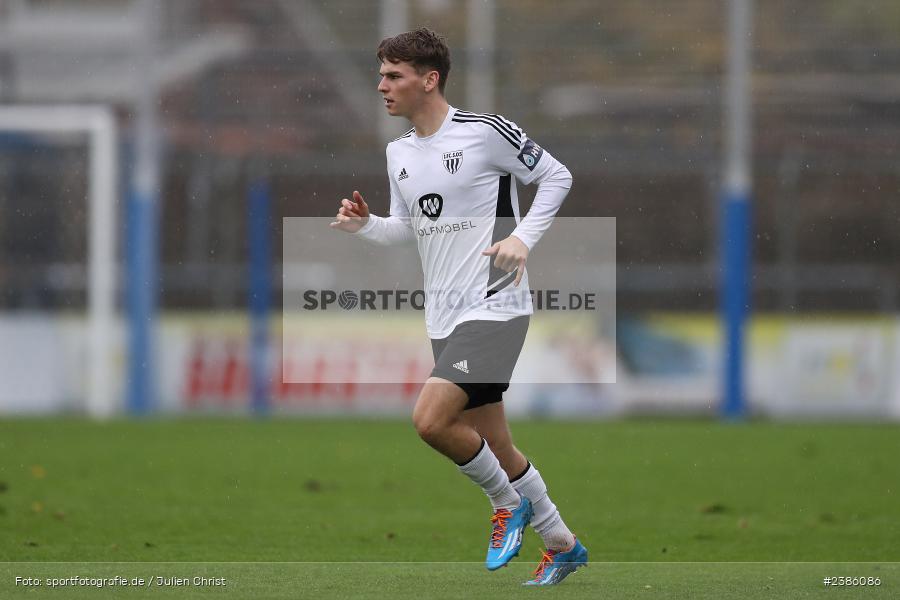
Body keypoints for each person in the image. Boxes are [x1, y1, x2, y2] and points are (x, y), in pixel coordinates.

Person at [330, 27, 587, 586]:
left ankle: (506, 505)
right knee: (495, 444)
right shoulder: (398, 152)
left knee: (430, 420)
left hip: (495, 305)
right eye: (380, 75)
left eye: (393, 76)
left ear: (430, 79)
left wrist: (521, 238)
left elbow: (556, 175)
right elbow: (408, 229)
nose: (382, 86)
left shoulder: (484, 132)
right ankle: (563, 544)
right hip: (445, 316)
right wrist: (366, 225)